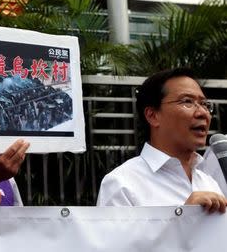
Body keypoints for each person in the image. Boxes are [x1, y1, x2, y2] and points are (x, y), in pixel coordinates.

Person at [97, 68, 227, 213]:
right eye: (187, 102)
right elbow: (114, 237)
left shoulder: (209, 182)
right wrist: (184, 216)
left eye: (204, 104)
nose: (202, 113)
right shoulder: (122, 184)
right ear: (152, 116)